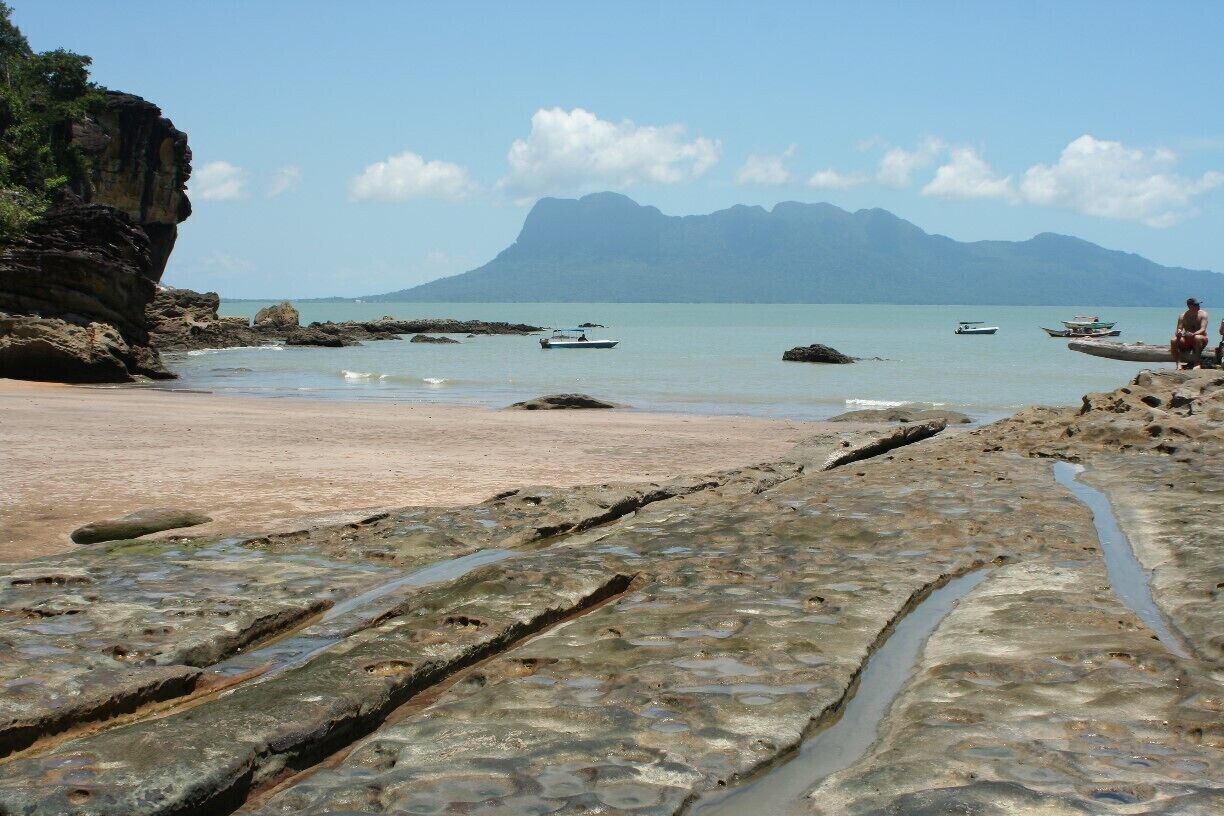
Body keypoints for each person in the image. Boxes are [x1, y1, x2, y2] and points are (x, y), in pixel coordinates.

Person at [1170, 297, 1209, 369]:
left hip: (1200, 338)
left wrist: (1194, 334)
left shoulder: (1203, 314)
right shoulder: (1183, 316)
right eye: (1196, 305)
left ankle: (1197, 363)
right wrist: (1179, 332)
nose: (1198, 306)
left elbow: (1203, 329)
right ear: (1189, 306)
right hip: (1187, 339)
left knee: (1197, 337)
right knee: (1173, 340)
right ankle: (1178, 364)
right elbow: (1179, 329)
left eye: (1198, 304)